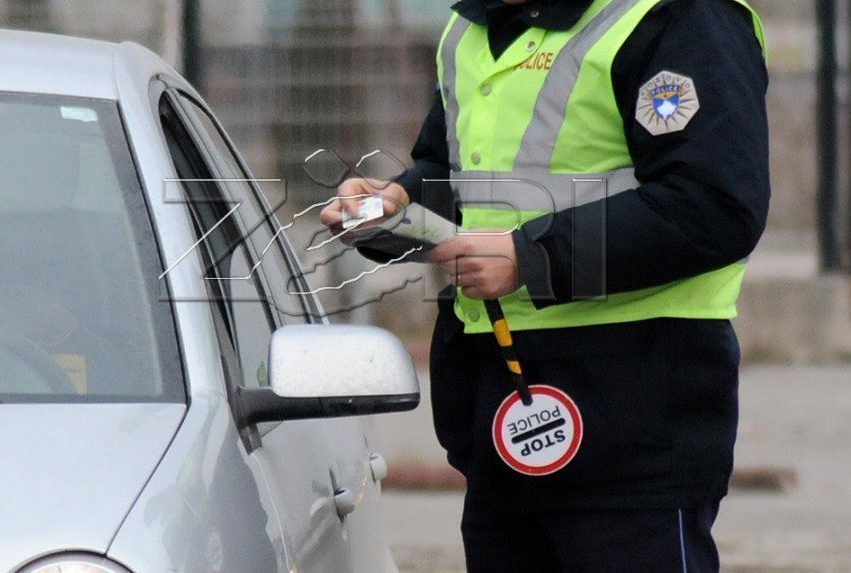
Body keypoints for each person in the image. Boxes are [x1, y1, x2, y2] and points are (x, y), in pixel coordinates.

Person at [320, 0, 768, 570]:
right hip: (500, 401)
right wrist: (393, 208)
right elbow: (461, 177)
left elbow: (714, 206)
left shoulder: (680, 18)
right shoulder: (470, 27)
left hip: (634, 410)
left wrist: (530, 257)